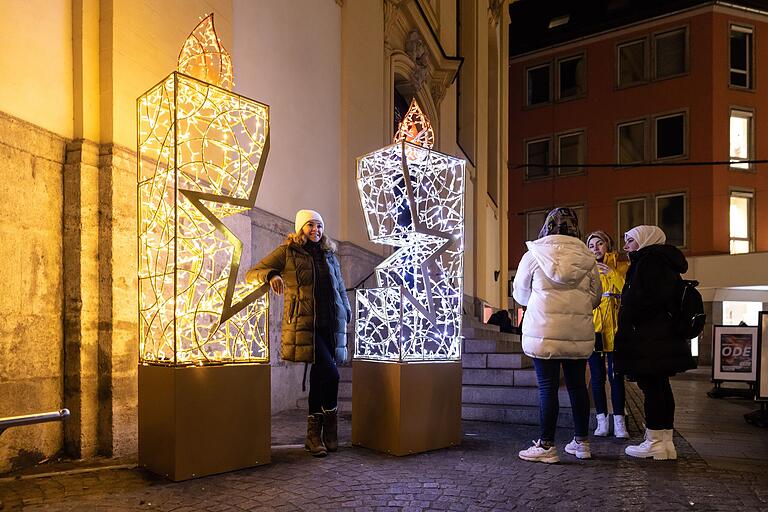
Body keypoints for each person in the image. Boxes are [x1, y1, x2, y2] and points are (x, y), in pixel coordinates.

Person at [246, 209, 351, 457]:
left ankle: (314, 437)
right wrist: (272, 275)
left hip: (331, 325)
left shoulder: (330, 255)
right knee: (333, 374)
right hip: (306, 325)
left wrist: (346, 309)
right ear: (301, 228)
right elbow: (253, 272)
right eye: (310, 225)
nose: (316, 230)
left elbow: (340, 288)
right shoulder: (288, 252)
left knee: (319, 376)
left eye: (319, 226)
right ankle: (329, 427)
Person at [513, 207, 602, 463]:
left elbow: (520, 294)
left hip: (543, 330)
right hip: (577, 331)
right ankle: (582, 442)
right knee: (577, 386)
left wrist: (542, 303)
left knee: (547, 387)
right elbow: (595, 298)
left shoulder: (534, 255)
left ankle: (546, 445)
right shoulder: (587, 257)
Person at [614, 225, 696, 461]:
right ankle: (665, 442)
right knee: (660, 388)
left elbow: (643, 300)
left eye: (630, 240)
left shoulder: (648, 262)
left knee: (652, 389)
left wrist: (629, 315)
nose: (626, 245)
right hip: (661, 338)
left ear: (644, 240)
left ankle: (654, 442)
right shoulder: (664, 262)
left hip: (649, 339)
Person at [586, 231, 629, 439]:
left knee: (616, 377)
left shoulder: (621, 266)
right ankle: (601, 421)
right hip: (593, 329)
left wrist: (611, 272)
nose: (595, 248)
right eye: (591, 245)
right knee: (596, 378)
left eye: (599, 243)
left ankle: (619, 421)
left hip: (616, 330)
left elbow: (627, 292)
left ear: (608, 245)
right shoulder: (585, 270)